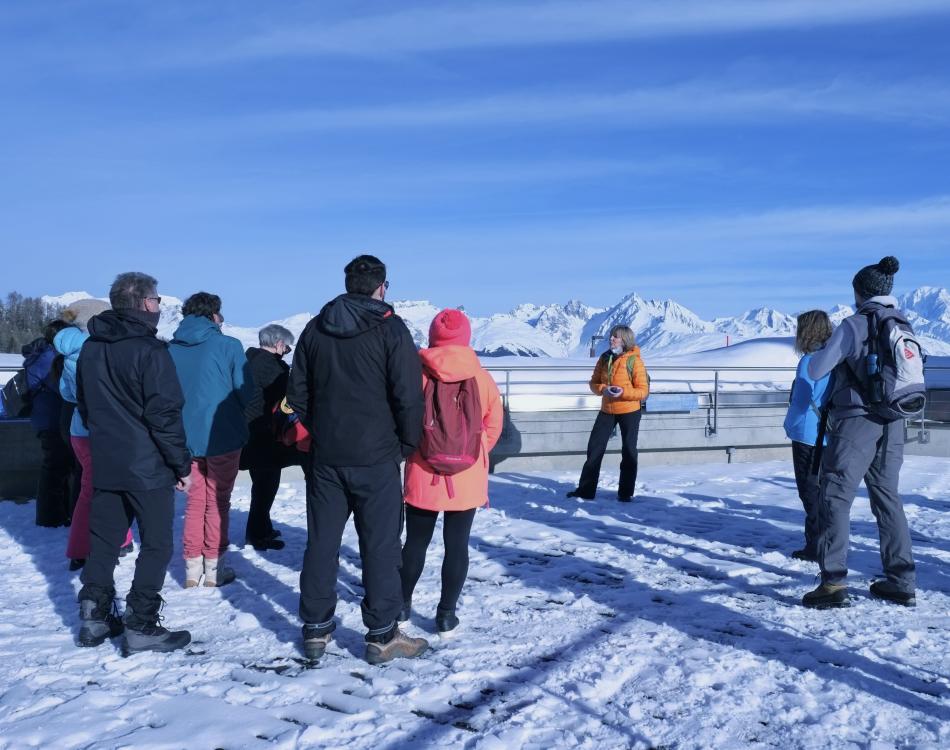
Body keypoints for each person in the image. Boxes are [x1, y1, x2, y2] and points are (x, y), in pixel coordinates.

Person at [287, 254, 427, 664]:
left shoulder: (315, 329)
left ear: (348, 284)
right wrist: (405, 443)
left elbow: (297, 395)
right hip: (378, 455)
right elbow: (408, 396)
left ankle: (315, 628)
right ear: (382, 287)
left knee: (322, 542)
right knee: (381, 546)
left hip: (328, 456)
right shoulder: (391, 329)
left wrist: (323, 430)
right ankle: (382, 634)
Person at [76, 272, 192, 653]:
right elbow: (165, 413)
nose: (159, 307)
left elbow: (87, 405)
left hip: (108, 459)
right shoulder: (151, 351)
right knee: (156, 544)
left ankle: (94, 615)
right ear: (144, 304)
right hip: (148, 466)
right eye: (157, 301)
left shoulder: (92, 347)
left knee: (104, 541)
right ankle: (140, 623)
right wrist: (180, 465)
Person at [802, 256, 917, 609]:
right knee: (887, 497)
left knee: (836, 496)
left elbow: (818, 369)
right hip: (894, 420)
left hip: (856, 421)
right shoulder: (902, 323)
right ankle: (901, 580)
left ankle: (833, 582)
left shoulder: (855, 324)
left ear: (858, 292)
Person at [398, 309, 503, 637]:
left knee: (415, 543)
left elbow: (403, 419)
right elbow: (494, 425)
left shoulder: (416, 374)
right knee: (457, 545)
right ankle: (445, 615)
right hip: (467, 476)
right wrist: (471, 451)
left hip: (422, 472)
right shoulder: (482, 378)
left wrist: (423, 449)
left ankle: (401, 606)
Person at [168, 292, 256, 588]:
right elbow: (246, 392)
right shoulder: (229, 345)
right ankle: (215, 567)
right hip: (224, 435)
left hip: (183, 437)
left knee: (195, 502)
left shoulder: (170, 349)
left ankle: (192, 569)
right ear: (213, 315)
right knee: (218, 502)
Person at [55, 303, 135, 571]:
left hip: (79, 427)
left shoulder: (70, 351)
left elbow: (67, 393)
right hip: (102, 429)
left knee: (97, 487)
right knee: (97, 489)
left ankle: (119, 539)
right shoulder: (102, 346)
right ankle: (80, 549)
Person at [567, 325, 649, 501]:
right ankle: (585, 491)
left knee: (628, 451)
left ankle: (625, 494)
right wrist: (603, 389)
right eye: (611, 336)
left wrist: (623, 392)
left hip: (629, 411)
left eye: (616, 337)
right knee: (594, 449)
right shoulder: (604, 358)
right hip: (607, 410)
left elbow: (643, 391)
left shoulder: (634, 361)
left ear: (625, 340)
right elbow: (593, 383)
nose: (611, 339)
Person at [241, 323, 298, 551]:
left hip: (248, 433)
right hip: (263, 435)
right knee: (266, 486)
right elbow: (289, 396)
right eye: (287, 348)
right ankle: (257, 535)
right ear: (279, 344)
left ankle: (261, 528)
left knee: (261, 485)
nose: (287, 353)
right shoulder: (272, 367)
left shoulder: (249, 360)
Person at [783, 310, 833, 563]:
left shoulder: (808, 361)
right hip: (831, 434)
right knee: (824, 490)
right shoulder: (836, 358)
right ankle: (828, 541)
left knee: (809, 490)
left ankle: (816, 545)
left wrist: (788, 424)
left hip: (807, 434)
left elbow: (801, 400)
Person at [24, 319, 73, 527]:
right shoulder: (49, 358)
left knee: (56, 467)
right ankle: (50, 517)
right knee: (55, 468)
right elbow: (60, 387)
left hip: (45, 419)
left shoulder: (43, 354)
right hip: (52, 420)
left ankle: (55, 514)